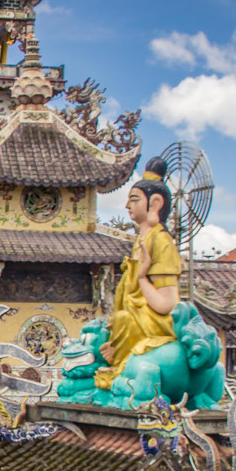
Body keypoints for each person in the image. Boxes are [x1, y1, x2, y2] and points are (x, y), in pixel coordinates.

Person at [96, 157, 181, 392]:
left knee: (122, 320)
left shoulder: (162, 241)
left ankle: (124, 368)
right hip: (135, 317)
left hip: (153, 324)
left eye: (134, 200)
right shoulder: (141, 241)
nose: (127, 206)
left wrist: (142, 277)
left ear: (154, 204)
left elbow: (166, 304)